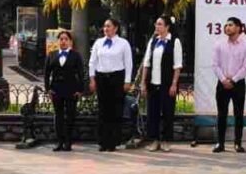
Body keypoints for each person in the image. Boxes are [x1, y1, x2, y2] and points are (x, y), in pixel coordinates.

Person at [88, 18, 134, 152]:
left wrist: (127, 80)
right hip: (102, 77)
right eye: (104, 26)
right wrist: (92, 79)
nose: (106, 29)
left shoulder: (123, 43)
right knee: (103, 109)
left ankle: (113, 141)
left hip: (117, 77)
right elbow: (92, 62)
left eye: (109, 26)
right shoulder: (98, 43)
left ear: (116, 28)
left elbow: (128, 63)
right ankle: (103, 141)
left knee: (116, 109)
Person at [141, 16, 183, 152]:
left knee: (167, 113)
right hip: (153, 83)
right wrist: (143, 83)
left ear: (167, 27)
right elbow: (146, 64)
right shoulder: (153, 41)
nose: (156, 26)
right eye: (156, 24)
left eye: (159, 24)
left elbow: (177, 66)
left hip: (167, 84)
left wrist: (174, 84)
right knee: (152, 113)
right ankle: (154, 140)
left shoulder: (174, 42)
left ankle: (166, 140)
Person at [211, 17, 246, 153]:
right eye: (226, 25)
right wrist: (223, 80)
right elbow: (215, 65)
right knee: (221, 114)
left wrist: (233, 80)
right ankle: (220, 143)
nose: (227, 27)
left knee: (238, 114)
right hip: (222, 83)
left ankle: (237, 143)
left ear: (239, 28)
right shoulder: (219, 44)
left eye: (231, 25)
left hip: (238, 84)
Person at [44, 30, 84, 152]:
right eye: (61, 39)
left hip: (71, 89)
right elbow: (46, 74)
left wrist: (80, 89)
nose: (63, 41)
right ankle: (59, 141)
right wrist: (48, 89)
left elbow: (81, 74)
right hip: (56, 89)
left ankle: (68, 142)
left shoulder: (76, 55)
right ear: (58, 41)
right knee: (58, 116)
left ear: (70, 41)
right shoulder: (51, 55)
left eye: (66, 39)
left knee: (70, 115)